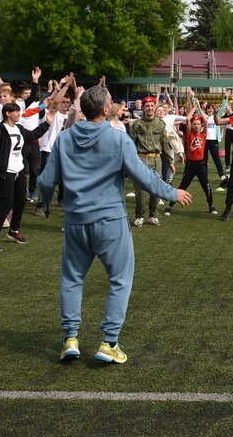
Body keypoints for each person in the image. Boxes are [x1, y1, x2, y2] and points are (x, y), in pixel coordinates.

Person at [38, 85, 192, 364]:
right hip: (110, 220)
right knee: (120, 280)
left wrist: (45, 202)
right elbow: (143, 177)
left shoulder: (64, 139)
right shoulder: (118, 139)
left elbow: (47, 181)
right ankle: (109, 342)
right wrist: (172, 192)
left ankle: (70, 338)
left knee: (72, 280)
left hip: (75, 221)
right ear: (106, 109)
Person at [0, 99, 53, 252]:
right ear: (7, 113)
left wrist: (47, 123)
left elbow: (33, 134)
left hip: (19, 170)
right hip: (5, 172)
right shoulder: (0, 130)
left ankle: (14, 230)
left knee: (20, 201)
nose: (19, 114)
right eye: (16, 112)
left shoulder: (19, 128)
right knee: (5, 205)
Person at [127, 96, 175, 227]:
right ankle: (139, 216)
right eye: (147, 106)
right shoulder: (137, 124)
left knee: (156, 189)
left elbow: (165, 144)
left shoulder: (160, 124)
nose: (149, 108)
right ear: (142, 108)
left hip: (156, 160)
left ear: (155, 108)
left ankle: (153, 215)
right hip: (141, 159)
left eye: (152, 106)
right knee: (140, 190)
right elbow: (130, 143)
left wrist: (170, 162)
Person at [167, 108, 217, 216]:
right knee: (183, 185)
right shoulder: (189, 135)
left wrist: (199, 107)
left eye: (198, 124)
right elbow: (188, 119)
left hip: (201, 165)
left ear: (201, 125)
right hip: (190, 165)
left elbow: (206, 121)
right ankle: (170, 205)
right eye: (194, 124)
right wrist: (195, 106)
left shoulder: (203, 134)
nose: (197, 126)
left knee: (206, 186)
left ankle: (211, 205)